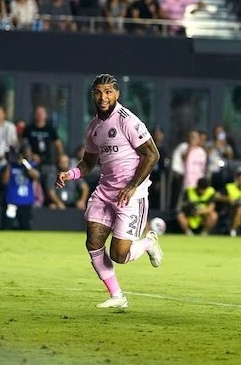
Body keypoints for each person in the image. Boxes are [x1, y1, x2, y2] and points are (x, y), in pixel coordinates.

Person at [55, 74, 162, 309]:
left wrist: (132, 186)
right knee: (93, 241)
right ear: (93, 95)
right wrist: (69, 174)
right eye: (98, 92)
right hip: (105, 191)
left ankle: (148, 243)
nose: (103, 97)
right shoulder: (94, 127)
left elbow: (152, 154)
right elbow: (88, 163)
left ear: (117, 94)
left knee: (119, 255)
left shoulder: (127, 120)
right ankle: (117, 296)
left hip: (131, 195)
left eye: (108, 92)